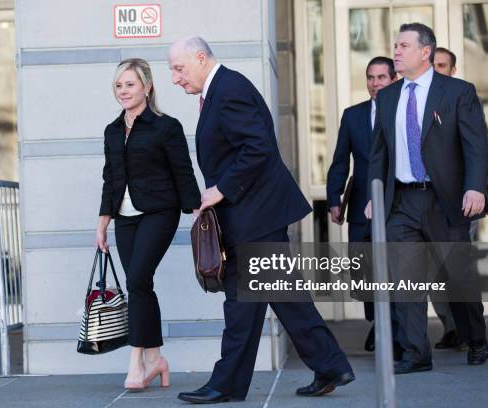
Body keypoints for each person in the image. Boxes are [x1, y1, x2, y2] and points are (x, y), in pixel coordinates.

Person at [169, 36, 354, 404]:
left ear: (201, 58)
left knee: (253, 301)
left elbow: (257, 147)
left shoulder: (229, 88)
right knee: (265, 301)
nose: (175, 78)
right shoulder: (219, 89)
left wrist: (219, 190)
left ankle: (229, 384)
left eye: (179, 68)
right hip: (250, 216)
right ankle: (328, 365)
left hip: (256, 216)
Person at [366, 23, 488, 374]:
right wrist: (376, 193)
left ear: (425, 52)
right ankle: (416, 353)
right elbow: (379, 153)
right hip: (401, 202)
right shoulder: (388, 96)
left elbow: (476, 145)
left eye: (404, 45)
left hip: (444, 199)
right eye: (395, 45)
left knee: (457, 276)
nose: (397, 51)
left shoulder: (457, 92)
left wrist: (475, 186)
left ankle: (477, 340)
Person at [96, 58, 201, 390]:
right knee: (139, 285)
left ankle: (137, 363)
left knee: (138, 278)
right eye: (118, 85)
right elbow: (110, 179)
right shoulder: (112, 131)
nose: (123, 91)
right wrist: (102, 223)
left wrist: (198, 212)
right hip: (124, 218)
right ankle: (157, 361)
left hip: (159, 212)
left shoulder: (165, 126)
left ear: (147, 87)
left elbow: (183, 171)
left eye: (130, 84)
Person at [326, 56, 397, 352]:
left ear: (394, 79)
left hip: (396, 203)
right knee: (363, 273)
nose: (376, 83)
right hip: (358, 208)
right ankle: (378, 322)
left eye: (382, 77)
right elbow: (340, 160)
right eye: (371, 77)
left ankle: (392, 330)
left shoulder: (403, 112)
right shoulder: (352, 115)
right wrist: (333, 199)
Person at [430, 46, 466, 350]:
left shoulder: (460, 98)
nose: (437, 69)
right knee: (432, 271)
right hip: (421, 202)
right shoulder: (413, 101)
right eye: (434, 64)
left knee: (455, 266)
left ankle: (469, 330)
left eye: (443, 65)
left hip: (457, 202)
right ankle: (451, 327)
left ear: (452, 70)